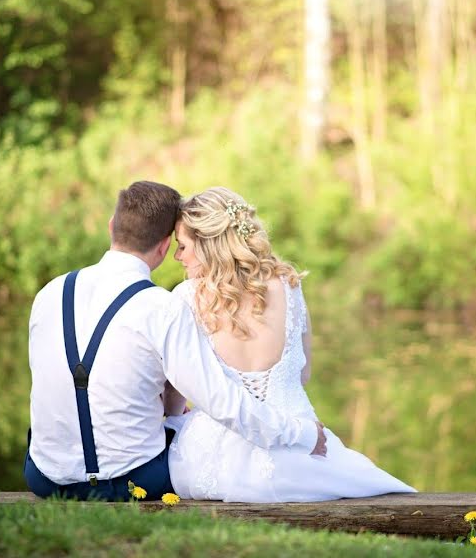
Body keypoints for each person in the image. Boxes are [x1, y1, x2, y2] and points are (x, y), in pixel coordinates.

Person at [25, 181, 326, 501]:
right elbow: (219, 402)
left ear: (112, 226)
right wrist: (302, 433)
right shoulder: (163, 308)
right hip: (134, 481)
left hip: (45, 479)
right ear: (165, 245)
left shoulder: (49, 293)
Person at [167, 187, 415, 501]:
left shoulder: (186, 297)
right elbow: (304, 373)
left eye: (183, 246)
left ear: (208, 244)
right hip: (303, 448)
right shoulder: (288, 285)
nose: (179, 256)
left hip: (215, 459)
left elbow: (181, 389)